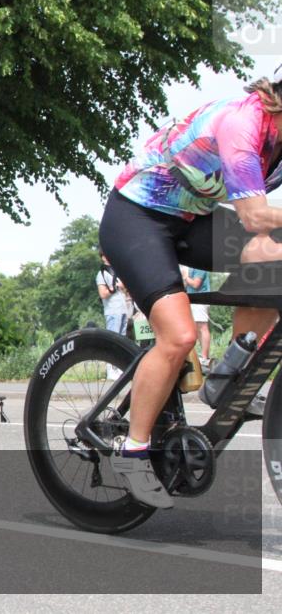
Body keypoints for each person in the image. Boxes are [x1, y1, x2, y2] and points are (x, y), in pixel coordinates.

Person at [98, 74, 282, 509]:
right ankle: (133, 452)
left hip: (191, 218)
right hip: (138, 218)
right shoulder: (243, 123)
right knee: (179, 336)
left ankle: (229, 376)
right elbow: (255, 217)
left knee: (272, 258)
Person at [97, 251, 130, 379]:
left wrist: (123, 286)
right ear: (103, 257)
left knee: (121, 340)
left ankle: (119, 368)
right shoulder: (102, 274)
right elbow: (102, 294)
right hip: (112, 310)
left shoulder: (116, 272)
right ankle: (111, 370)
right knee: (113, 340)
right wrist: (115, 287)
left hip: (122, 309)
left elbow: (125, 290)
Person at [181, 265, 212, 368]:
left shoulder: (199, 267)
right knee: (198, 329)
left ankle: (204, 358)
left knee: (202, 327)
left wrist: (185, 276)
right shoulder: (191, 267)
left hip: (201, 300)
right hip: (194, 301)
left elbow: (195, 284)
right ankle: (203, 356)